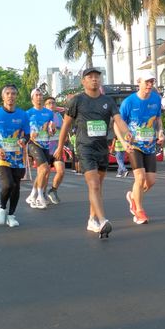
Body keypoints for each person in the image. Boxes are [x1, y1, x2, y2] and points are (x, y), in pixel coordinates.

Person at [54, 67, 133, 238]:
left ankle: (92, 219)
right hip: (85, 147)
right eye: (90, 77)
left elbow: (118, 119)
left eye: (97, 76)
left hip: (102, 148)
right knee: (94, 184)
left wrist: (127, 133)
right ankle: (102, 220)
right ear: (83, 81)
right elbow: (66, 125)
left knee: (97, 186)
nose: (94, 79)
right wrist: (60, 147)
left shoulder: (108, 101)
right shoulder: (77, 101)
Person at [119, 69, 165, 225]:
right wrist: (124, 142)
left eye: (152, 81)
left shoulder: (156, 98)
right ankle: (138, 211)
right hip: (134, 146)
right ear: (139, 82)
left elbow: (158, 119)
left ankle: (133, 197)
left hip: (150, 145)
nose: (150, 85)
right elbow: (118, 124)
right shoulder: (129, 102)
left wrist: (160, 132)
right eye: (147, 82)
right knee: (139, 178)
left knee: (150, 181)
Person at [0, 84, 30, 227]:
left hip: (17, 155)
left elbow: (27, 134)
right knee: (8, 184)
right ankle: (2, 208)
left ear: (16, 96)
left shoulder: (23, 114)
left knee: (16, 186)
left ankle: (11, 215)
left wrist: (23, 140)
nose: (11, 96)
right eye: (7, 93)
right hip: (1, 155)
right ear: (3, 97)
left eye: (13, 93)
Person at [25, 88, 55, 209]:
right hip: (33, 143)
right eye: (36, 95)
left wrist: (52, 130)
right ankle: (39, 197)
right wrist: (29, 134)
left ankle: (33, 195)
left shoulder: (49, 113)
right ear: (32, 98)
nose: (39, 97)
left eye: (40, 95)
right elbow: (23, 130)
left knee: (44, 171)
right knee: (44, 168)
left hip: (45, 144)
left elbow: (51, 129)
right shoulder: (28, 113)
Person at [44, 95, 65, 204]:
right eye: (49, 103)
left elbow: (63, 130)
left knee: (61, 171)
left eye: (53, 103)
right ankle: (42, 194)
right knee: (45, 174)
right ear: (45, 106)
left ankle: (53, 190)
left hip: (57, 149)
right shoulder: (42, 116)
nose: (51, 105)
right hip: (45, 149)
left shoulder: (59, 117)